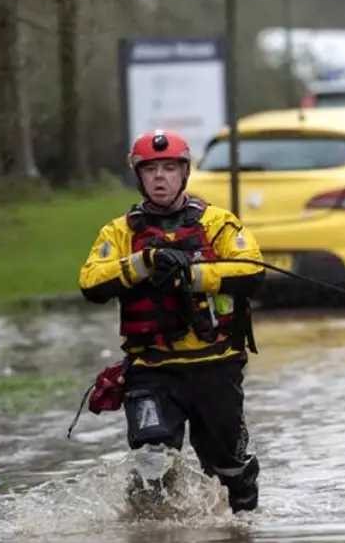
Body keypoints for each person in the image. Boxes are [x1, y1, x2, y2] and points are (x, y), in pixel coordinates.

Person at [78, 129, 266, 513]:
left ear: (184, 173)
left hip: (215, 367)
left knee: (228, 468)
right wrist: (144, 263)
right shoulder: (119, 232)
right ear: (139, 177)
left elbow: (252, 272)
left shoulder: (218, 222)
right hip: (152, 371)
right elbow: (91, 283)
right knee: (151, 465)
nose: (160, 177)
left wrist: (193, 273)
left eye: (169, 168)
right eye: (151, 170)